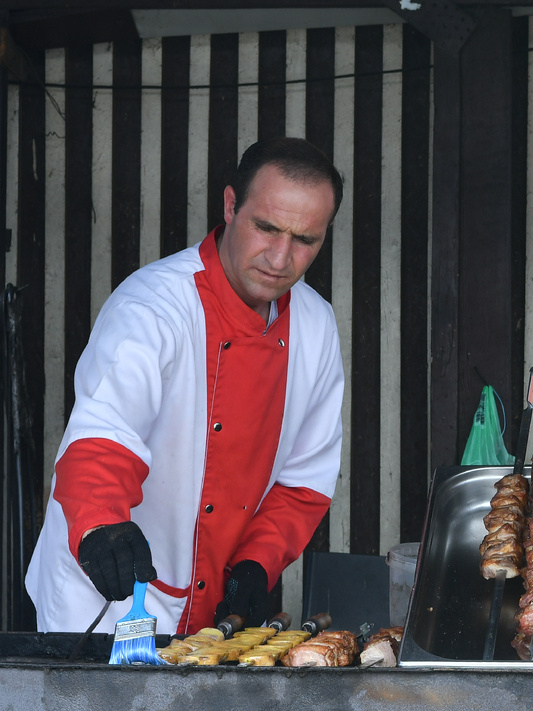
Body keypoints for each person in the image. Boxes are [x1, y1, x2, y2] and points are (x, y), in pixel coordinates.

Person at [25, 138, 346, 635]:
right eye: (266, 227)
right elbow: (103, 438)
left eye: (305, 239)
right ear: (230, 205)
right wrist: (100, 526)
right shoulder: (152, 308)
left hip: (216, 611)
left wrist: (256, 564)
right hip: (109, 603)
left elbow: (303, 482)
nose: (281, 258)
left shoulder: (316, 326)